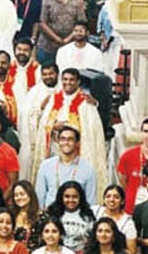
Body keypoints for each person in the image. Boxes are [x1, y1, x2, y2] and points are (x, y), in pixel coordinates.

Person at [34, 68, 108, 200]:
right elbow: (43, 124)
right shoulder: (53, 99)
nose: (68, 83)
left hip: (77, 153)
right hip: (54, 150)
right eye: (65, 79)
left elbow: (91, 130)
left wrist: (70, 127)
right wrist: (53, 126)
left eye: (72, 80)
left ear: (78, 82)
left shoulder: (86, 102)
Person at [35, 125, 97, 208]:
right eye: (63, 139)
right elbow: (39, 198)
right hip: (51, 213)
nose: (66, 142)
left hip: (76, 214)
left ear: (77, 143)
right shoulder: (45, 166)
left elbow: (91, 202)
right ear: (58, 142)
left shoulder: (88, 169)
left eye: (70, 139)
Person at [19, 63, 60, 181]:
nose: (48, 77)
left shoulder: (63, 89)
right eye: (45, 74)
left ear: (57, 74)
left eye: (51, 74)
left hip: (58, 141)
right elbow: (27, 116)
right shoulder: (34, 92)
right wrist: (41, 108)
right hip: (41, 140)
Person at [35, 0, 85, 66]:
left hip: (70, 45)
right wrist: (56, 39)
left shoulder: (76, 0)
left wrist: (68, 39)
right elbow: (41, 23)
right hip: (47, 46)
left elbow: (81, 22)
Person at [117, 118, 148, 215]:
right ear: (141, 133)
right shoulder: (127, 156)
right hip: (130, 211)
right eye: (146, 131)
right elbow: (123, 183)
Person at [47, 180, 96, 254]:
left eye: (75, 197)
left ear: (80, 197)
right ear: (61, 197)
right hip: (57, 253)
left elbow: (92, 239)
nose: (71, 200)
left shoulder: (87, 215)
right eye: (67, 196)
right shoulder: (52, 213)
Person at [91, 185, 137, 254]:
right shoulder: (95, 211)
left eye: (116, 197)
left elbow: (132, 252)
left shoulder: (128, 223)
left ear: (122, 201)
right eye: (108, 196)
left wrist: (109, 251)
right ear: (104, 199)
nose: (111, 200)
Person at [9, 180, 50, 252]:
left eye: (22, 194)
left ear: (30, 195)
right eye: (16, 195)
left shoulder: (41, 217)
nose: (19, 197)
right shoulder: (10, 215)